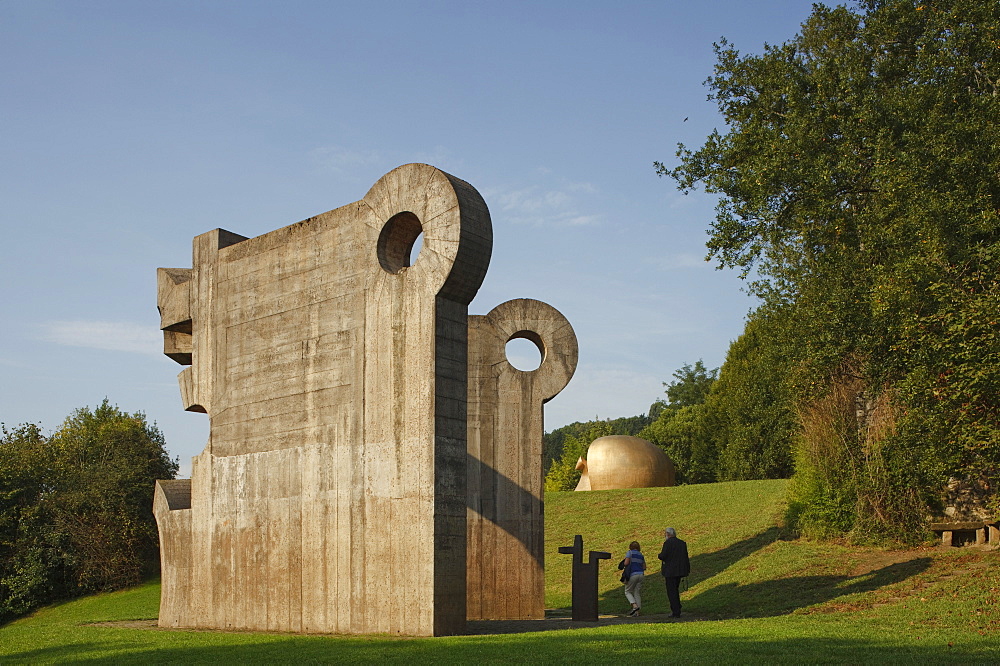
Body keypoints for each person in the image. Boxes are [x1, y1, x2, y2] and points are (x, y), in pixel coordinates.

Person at [657, 527, 690, 618]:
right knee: (675, 589)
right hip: (679, 570)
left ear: (668, 534)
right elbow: (685, 557)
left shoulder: (668, 543)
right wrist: (687, 569)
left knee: (671, 591)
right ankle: (677, 607)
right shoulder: (682, 543)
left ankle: (675, 610)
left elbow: (663, 555)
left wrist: (659, 556)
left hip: (670, 571)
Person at [622, 540, 646, 616]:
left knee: (627, 591)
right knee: (637, 592)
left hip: (633, 574)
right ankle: (637, 612)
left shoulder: (630, 553)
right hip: (641, 575)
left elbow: (626, 563)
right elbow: (644, 567)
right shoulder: (641, 555)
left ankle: (634, 606)